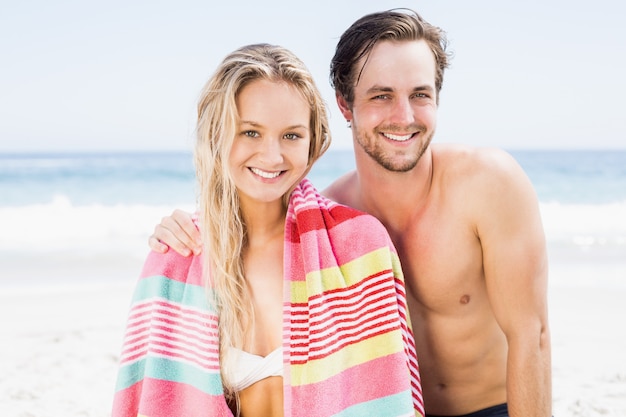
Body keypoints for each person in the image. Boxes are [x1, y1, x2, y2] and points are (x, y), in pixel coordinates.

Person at [149, 10, 552, 417]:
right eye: (381, 95)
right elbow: (251, 201)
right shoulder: (325, 229)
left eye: (420, 94)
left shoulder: (488, 184)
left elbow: (531, 337)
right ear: (345, 104)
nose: (404, 116)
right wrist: (180, 229)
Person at [112, 43, 424, 417]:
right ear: (217, 134)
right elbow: (147, 400)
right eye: (251, 133)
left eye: (291, 135)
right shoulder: (177, 257)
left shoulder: (357, 247)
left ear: (313, 143)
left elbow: (388, 397)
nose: (273, 156)